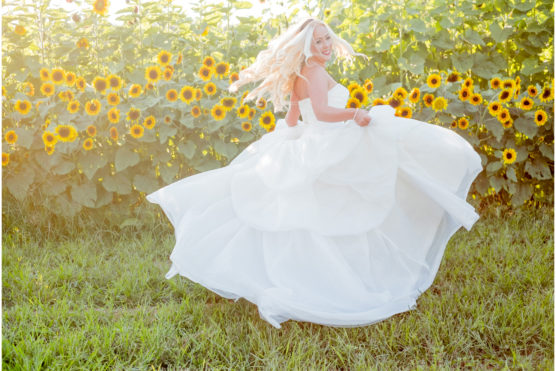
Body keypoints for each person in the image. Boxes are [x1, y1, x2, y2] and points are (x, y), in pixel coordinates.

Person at [146, 17, 483, 329]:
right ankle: (342, 278)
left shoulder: (300, 76)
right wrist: (355, 113)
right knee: (353, 195)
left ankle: (307, 274)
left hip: (312, 142)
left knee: (312, 210)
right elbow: (321, 112)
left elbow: (294, 119)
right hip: (327, 141)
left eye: (327, 39)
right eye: (319, 41)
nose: (325, 45)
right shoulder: (316, 73)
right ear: (306, 46)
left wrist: (286, 142)